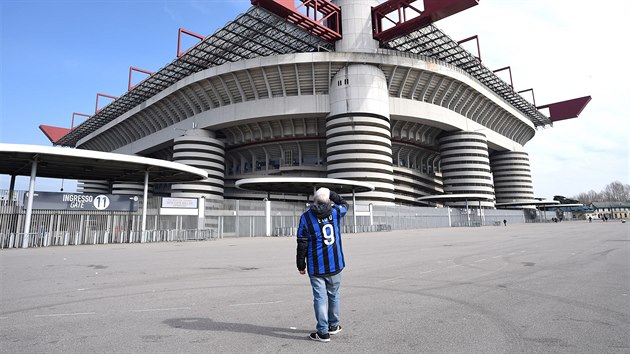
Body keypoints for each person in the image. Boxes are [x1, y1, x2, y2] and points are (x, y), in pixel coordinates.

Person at [296, 187, 348, 342]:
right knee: (334, 295)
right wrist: (331, 194)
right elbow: (345, 204)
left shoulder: (306, 217)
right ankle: (333, 326)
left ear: (314, 200)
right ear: (329, 200)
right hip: (335, 263)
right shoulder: (336, 212)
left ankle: (322, 332)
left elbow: (302, 243)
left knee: (319, 298)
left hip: (316, 265)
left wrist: (300, 264)